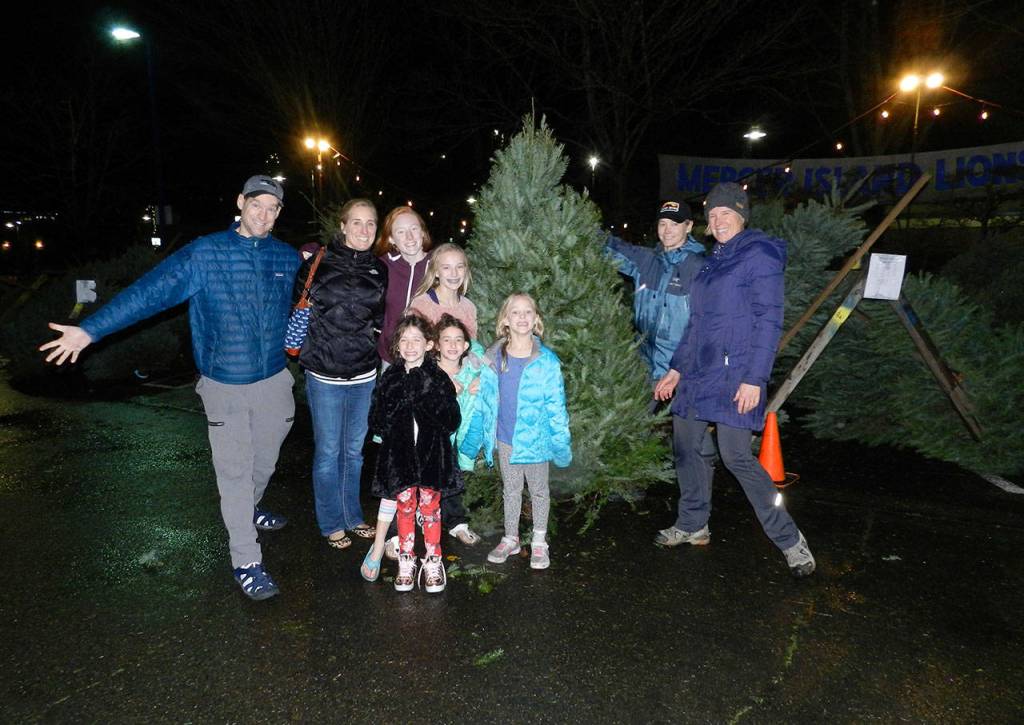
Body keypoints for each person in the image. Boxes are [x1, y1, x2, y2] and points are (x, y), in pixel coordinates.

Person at [39, 175, 300, 601]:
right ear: (240, 202)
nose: (265, 214)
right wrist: (90, 331)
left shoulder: (286, 257)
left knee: (265, 460)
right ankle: (246, 560)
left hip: (273, 380)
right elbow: (150, 293)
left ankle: (250, 508)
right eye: (257, 205)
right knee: (233, 472)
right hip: (225, 383)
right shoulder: (204, 253)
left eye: (273, 208)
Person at [653, 182, 815, 577]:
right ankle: (693, 524)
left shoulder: (759, 255)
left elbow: (769, 320)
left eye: (726, 213)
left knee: (737, 456)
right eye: (712, 214)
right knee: (687, 447)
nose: (718, 220)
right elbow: (697, 324)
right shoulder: (713, 261)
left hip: (736, 375)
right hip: (697, 372)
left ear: (741, 216)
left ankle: (791, 540)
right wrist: (675, 368)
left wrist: (754, 379)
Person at [295, 198, 386, 551]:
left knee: (354, 451)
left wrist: (371, 339)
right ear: (343, 226)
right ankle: (331, 522)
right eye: (357, 223)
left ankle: (352, 516)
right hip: (324, 372)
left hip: (363, 373)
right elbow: (297, 305)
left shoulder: (380, 269)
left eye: (371, 224)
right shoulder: (317, 262)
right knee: (329, 450)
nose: (364, 230)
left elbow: (379, 318)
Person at [464, 293, 571, 571]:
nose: (522, 317)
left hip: (535, 440)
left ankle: (539, 540)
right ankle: (510, 537)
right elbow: (481, 384)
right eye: (515, 312)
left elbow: (556, 405)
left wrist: (561, 442)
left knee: (538, 491)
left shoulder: (546, 361)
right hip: (505, 438)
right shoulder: (494, 355)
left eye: (528, 312)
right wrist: (475, 382)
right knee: (511, 489)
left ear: (536, 320)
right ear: (505, 320)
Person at [367, 315, 461, 593]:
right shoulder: (390, 378)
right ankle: (406, 560)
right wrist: (396, 410)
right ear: (397, 345)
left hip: (432, 458)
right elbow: (377, 420)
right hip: (401, 459)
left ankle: (433, 559)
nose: (410, 346)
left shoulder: (437, 377)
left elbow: (451, 419)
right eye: (404, 340)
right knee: (405, 508)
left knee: (431, 510)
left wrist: (424, 401)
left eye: (416, 340)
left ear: (429, 344)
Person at [605, 201, 706, 386]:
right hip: (643, 366)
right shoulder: (646, 260)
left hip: (680, 372)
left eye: (675, 224)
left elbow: (704, 326)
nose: (667, 230)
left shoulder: (699, 269)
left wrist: (680, 368)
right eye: (663, 223)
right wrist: (582, 227)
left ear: (689, 226)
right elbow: (613, 249)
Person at [374, 207, 432, 366]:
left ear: (422, 232)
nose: (410, 237)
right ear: (391, 239)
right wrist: (313, 251)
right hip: (391, 356)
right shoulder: (383, 265)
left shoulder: (439, 264)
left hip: (430, 357)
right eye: (401, 232)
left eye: (414, 229)